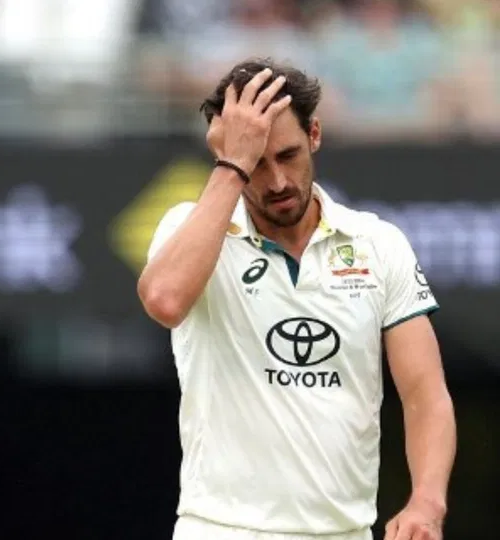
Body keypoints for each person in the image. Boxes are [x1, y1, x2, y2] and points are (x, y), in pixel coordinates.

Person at [137, 59, 456, 540]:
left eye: (287, 155)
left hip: (345, 531)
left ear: (315, 134)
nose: (278, 182)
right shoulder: (191, 228)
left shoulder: (377, 242)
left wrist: (427, 503)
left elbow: (425, 394)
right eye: (257, 165)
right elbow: (164, 300)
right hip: (221, 529)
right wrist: (231, 167)